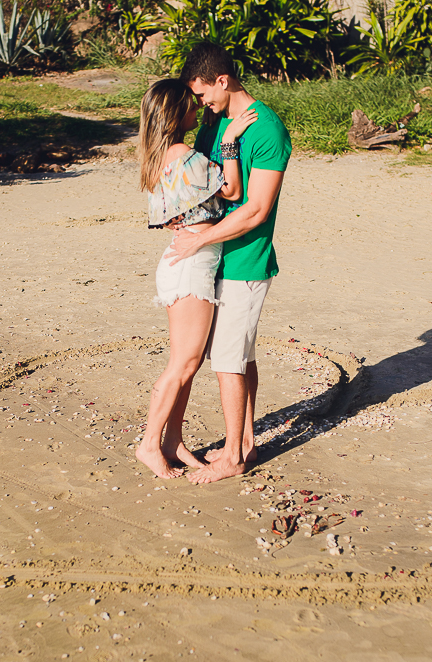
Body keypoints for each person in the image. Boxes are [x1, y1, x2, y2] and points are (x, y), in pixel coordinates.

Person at [168, 42, 292, 485]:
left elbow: (256, 209)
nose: (201, 103)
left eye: (203, 94)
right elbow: (216, 186)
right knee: (241, 355)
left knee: (227, 361)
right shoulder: (216, 125)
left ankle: (235, 458)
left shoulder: (268, 129)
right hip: (215, 259)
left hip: (245, 260)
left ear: (223, 80)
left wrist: (197, 242)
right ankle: (245, 440)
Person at [134, 78, 257, 479]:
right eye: (192, 105)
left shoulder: (156, 158)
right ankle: (150, 443)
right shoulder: (188, 157)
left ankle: (171, 441)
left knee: (188, 360)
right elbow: (234, 189)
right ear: (176, 115)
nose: (198, 109)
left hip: (179, 261)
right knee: (183, 364)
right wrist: (230, 141)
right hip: (192, 265)